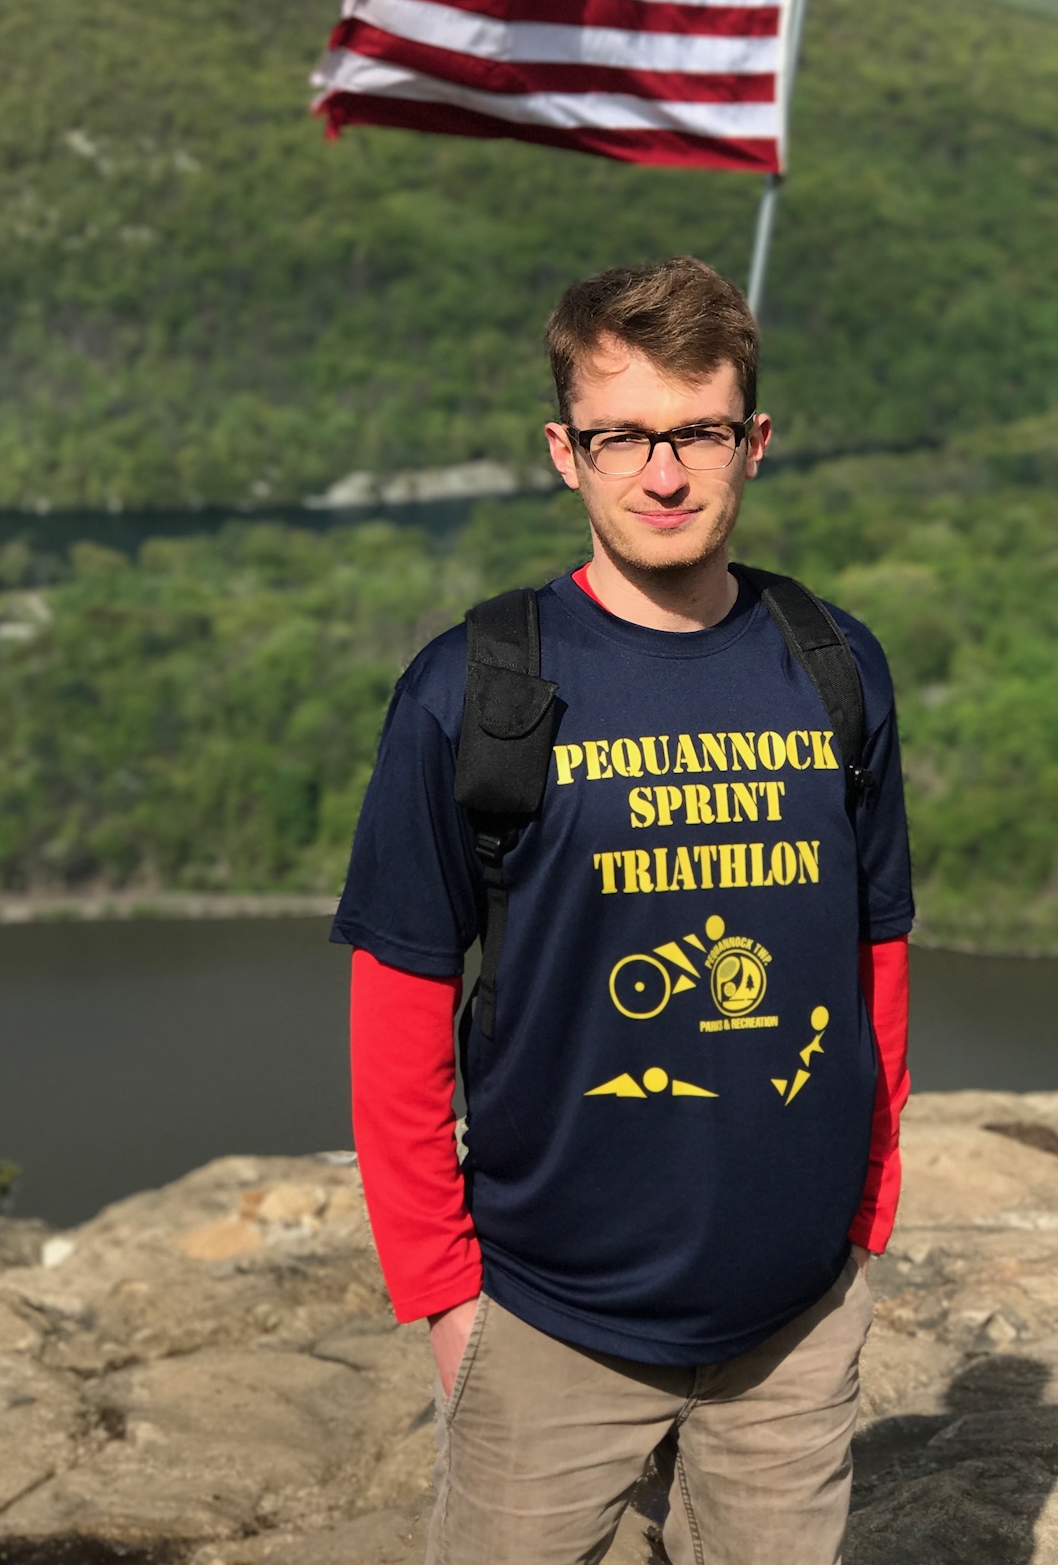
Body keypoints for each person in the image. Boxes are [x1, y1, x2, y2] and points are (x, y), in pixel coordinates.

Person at [333, 255, 913, 1565]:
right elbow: (399, 1005)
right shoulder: (475, 688)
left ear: (753, 441)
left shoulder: (833, 665)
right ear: (565, 451)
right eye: (622, 435)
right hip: (549, 1323)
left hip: (792, 1323)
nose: (663, 473)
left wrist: (865, 1215)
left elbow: (876, 950)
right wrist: (445, 1299)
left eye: (698, 430)